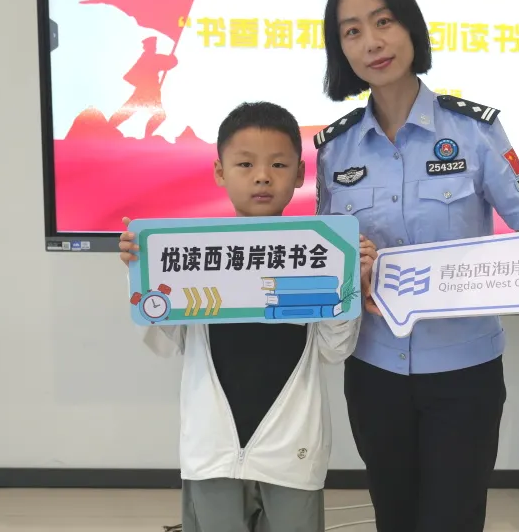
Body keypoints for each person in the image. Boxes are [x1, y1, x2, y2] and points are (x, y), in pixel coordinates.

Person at [314, 0, 519, 532]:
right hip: (373, 368)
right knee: (394, 516)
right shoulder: (335, 150)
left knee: (454, 517)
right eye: (352, 31)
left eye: (383, 21)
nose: (371, 42)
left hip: (464, 370)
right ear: (340, 48)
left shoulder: (474, 131)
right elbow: (329, 256)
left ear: (410, 27)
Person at [117, 101, 378, 532]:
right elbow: (165, 341)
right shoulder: (192, 254)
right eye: (245, 164)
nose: (262, 176)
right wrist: (141, 272)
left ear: (300, 174)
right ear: (220, 172)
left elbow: (334, 349)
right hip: (212, 451)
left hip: (292, 449)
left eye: (278, 164)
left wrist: (352, 280)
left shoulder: (319, 251)